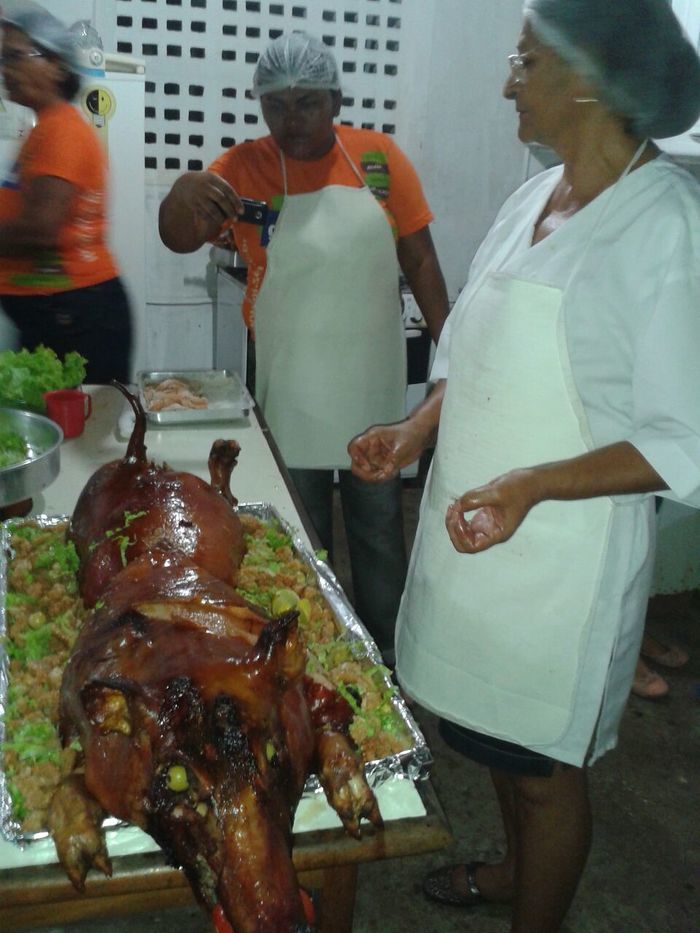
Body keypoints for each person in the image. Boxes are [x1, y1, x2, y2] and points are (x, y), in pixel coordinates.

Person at [349, 0, 700, 929]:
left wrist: (533, 484)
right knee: (492, 744)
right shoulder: (531, 199)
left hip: (559, 567)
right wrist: (418, 429)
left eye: (526, 60)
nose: (509, 81)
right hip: (474, 539)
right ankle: (513, 870)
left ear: (587, 77)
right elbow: (468, 355)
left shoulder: (667, 224)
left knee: (544, 771)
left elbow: (683, 435)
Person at [158, 32, 450, 663]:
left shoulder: (378, 160)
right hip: (291, 387)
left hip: (370, 388)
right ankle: (308, 660)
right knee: (298, 535)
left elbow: (420, 257)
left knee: (379, 530)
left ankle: (389, 661)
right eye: (277, 105)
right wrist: (182, 193)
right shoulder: (241, 168)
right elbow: (179, 236)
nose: (291, 120)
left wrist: (451, 352)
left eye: (308, 103)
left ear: (335, 100)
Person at [0, 3, 133, 383]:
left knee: (79, 420)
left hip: (76, 319)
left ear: (56, 65)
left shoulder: (62, 131)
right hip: (58, 314)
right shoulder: (44, 129)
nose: (5, 69)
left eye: (15, 57)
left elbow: (40, 229)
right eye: (3, 59)